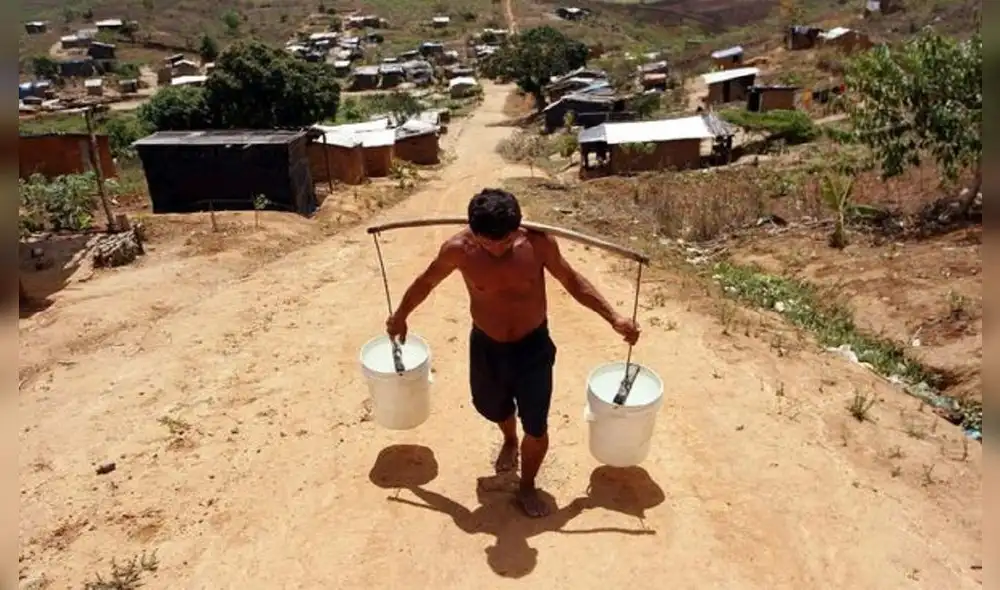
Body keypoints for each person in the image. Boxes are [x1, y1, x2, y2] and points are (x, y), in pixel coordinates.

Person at [385, 188, 640, 517]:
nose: (494, 249)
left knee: (536, 425)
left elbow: (572, 280)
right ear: (473, 232)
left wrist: (614, 317)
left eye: (503, 242)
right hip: (487, 345)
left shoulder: (538, 244)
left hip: (533, 346)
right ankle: (509, 439)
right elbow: (425, 283)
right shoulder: (458, 250)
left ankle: (527, 486)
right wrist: (401, 315)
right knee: (493, 406)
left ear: (516, 230)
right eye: (486, 242)